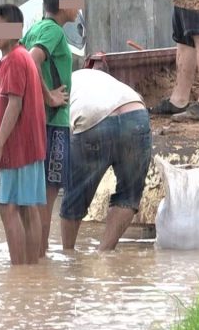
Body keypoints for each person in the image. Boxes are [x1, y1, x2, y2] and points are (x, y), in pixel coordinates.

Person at [60, 68, 151, 252]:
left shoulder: (60, 88)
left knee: (74, 197)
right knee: (129, 194)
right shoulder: (97, 77)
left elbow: (61, 137)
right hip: (136, 115)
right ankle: (104, 252)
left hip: (93, 120)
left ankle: (68, 255)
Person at [0, 4, 47, 265]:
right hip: (31, 146)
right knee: (27, 207)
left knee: (7, 207)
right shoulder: (23, 57)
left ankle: (20, 270)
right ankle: (31, 273)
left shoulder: (13, 61)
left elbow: (15, 104)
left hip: (17, 148)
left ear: (15, 31)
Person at [20, 0, 79, 257]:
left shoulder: (34, 29)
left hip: (37, 123)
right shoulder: (53, 31)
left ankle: (33, 261)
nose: (79, 5)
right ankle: (40, 257)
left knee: (35, 197)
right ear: (64, 3)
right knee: (47, 198)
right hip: (54, 124)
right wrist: (48, 96)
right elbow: (31, 62)